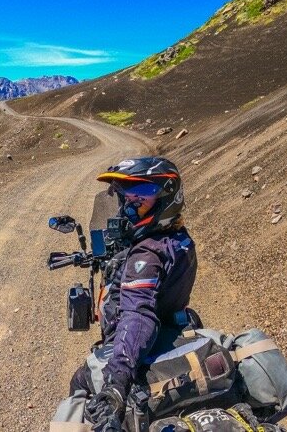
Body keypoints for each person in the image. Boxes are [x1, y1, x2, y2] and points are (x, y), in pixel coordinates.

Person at [64, 157, 198, 432]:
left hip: (140, 345)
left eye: (141, 197)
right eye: (127, 197)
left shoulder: (146, 255)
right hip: (174, 327)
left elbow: (138, 315)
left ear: (166, 197)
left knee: (79, 384)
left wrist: (116, 384)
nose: (129, 206)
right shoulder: (179, 238)